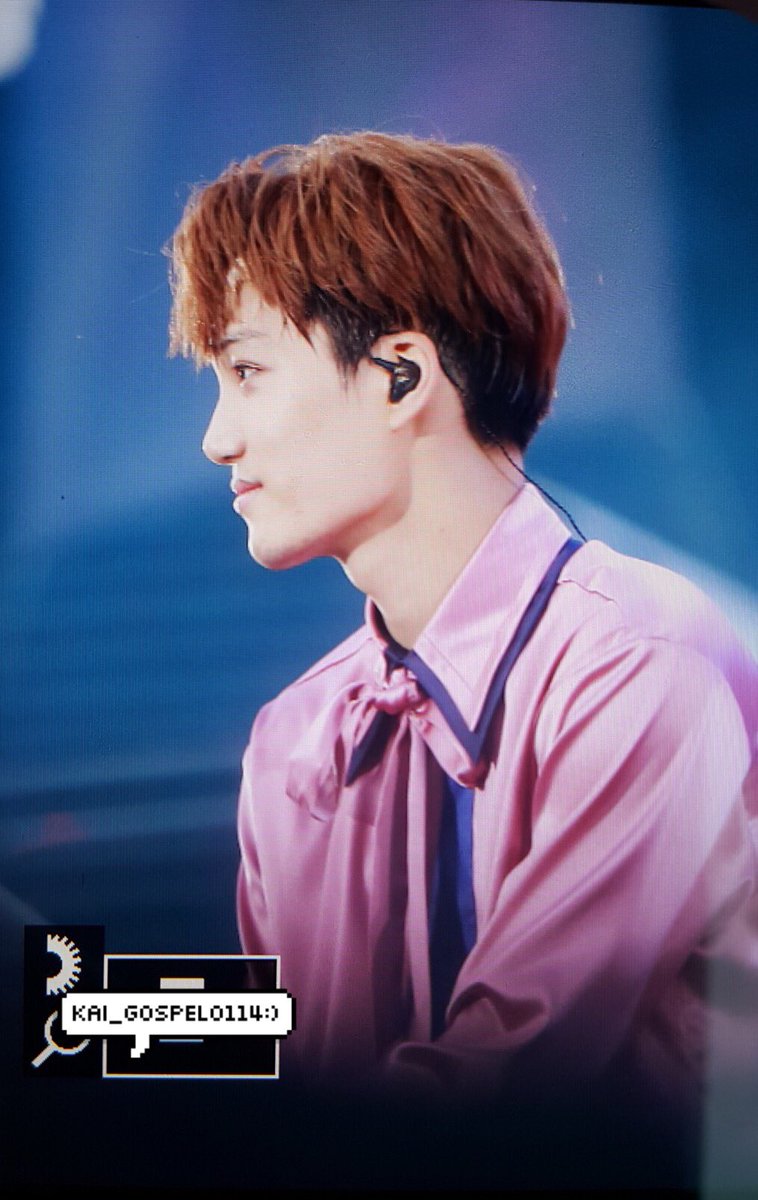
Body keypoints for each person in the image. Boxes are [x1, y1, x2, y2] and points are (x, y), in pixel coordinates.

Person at [167, 132, 757, 1123]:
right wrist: (69, 1021)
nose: (216, 439)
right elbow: (277, 1062)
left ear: (401, 376)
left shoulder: (640, 664)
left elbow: (506, 1088)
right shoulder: (295, 738)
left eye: (248, 372)